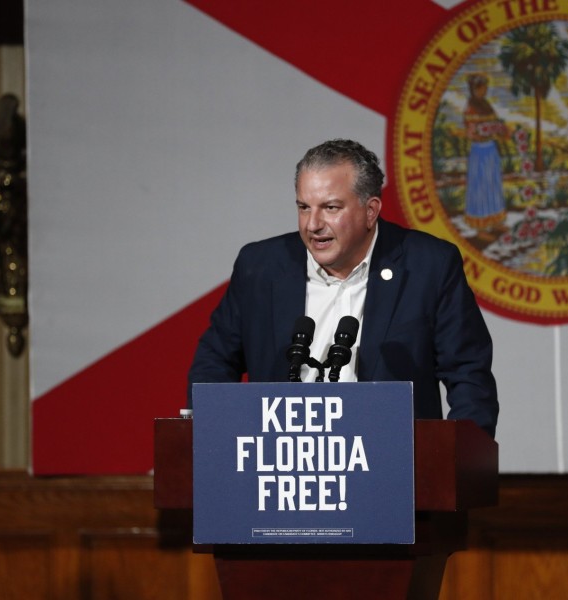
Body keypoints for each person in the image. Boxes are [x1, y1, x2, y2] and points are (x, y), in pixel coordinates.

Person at [188, 139, 499, 436]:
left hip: (391, 466)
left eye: (331, 208)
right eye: (304, 207)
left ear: (370, 210)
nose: (313, 224)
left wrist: (455, 463)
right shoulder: (261, 266)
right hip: (284, 465)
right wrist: (213, 438)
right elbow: (214, 362)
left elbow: (468, 374)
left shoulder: (428, 266)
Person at [463, 74, 507, 236]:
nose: (484, 92)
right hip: (479, 151)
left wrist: (499, 129)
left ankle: (495, 222)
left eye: (485, 89)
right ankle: (481, 228)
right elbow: (470, 132)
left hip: (491, 150)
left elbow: (495, 123)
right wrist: (481, 132)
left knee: (493, 185)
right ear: (474, 89)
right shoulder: (470, 107)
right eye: (482, 89)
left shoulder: (487, 105)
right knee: (480, 187)